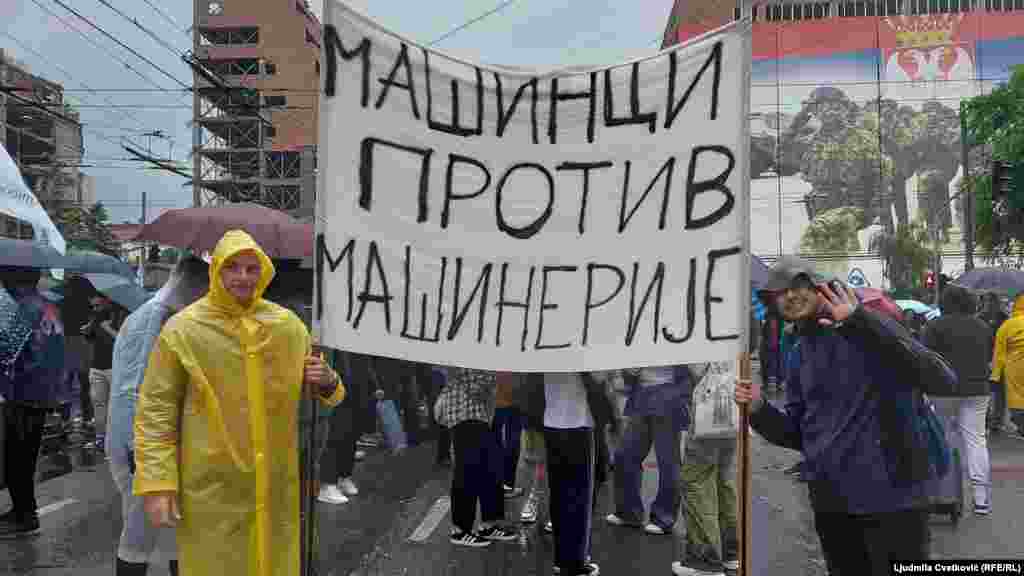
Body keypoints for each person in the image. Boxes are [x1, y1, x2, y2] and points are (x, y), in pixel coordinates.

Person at [132, 231, 345, 576]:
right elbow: (156, 410)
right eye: (233, 268)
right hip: (212, 488)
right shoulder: (183, 330)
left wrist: (327, 381)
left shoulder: (288, 327)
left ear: (263, 272)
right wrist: (158, 484)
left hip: (275, 486)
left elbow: (327, 393)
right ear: (216, 271)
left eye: (251, 268)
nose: (243, 277)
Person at [735, 256, 956, 575]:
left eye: (800, 285)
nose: (791, 296)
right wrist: (758, 409)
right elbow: (800, 433)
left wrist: (859, 322)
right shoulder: (798, 351)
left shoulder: (870, 327)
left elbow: (941, 378)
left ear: (821, 286)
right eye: (779, 293)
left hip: (893, 498)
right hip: (833, 503)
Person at [107, 256, 209, 575]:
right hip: (144, 448)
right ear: (189, 284)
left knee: (179, 537)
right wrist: (142, 453)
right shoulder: (152, 319)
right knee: (138, 539)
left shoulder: (168, 318)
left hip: (159, 445)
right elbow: (132, 391)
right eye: (203, 291)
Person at [521, 371, 616, 576]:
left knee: (559, 494)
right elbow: (599, 377)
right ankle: (575, 563)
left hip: (551, 422)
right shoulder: (580, 347)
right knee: (580, 498)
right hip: (579, 423)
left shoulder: (544, 347)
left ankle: (562, 559)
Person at [0, 266, 65, 537]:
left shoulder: (22, 310)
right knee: (24, 456)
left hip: (21, 392)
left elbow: (6, 352)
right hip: (42, 391)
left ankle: (24, 515)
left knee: (16, 457)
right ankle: (23, 510)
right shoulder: (48, 306)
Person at [920, 285, 995, 515]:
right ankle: (981, 499)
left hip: (942, 389)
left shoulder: (935, 326)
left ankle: (943, 493)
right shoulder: (983, 327)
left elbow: (925, 358)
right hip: (978, 390)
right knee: (976, 440)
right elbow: (989, 356)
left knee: (941, 437)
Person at [438, 367, 517, 547]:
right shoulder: (465, 352)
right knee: (467, 473)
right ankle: (460, 530)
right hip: (463, 416)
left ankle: (488, 525)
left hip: (478, 417)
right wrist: (492, 376)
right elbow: (477, 388)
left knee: (491, 470)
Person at [606, 366, 686, 535]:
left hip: (668, 393)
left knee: (668, 460)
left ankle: (664, 517)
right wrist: (630, 371)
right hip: (642, 393)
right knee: (625, 455)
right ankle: (629, 511)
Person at [672, 362, 735, 576]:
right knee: (722, 481)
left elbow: (697, 368)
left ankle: (704, 561)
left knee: (696, 482)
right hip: (731, 402)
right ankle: (730, 552)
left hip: (707, 406)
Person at [82, 293, 124, 452]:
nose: (95, 309)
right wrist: (87, 330)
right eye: (93, 306)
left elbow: (124, 340)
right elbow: (91, 338)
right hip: (96, 367)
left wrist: (108, 328)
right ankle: (101, 438)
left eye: (98, 305)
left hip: (114, 367)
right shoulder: (95, 317)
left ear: (107, 301)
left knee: (116, 405)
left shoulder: (120, 315)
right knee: (99, 405)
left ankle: (116, 440)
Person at [991, 294, 1024, 436]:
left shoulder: (1007, 325)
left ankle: (1021, 423)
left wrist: (996, 374)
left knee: (1016, 398)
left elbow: (999, 353)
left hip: (1014, 367)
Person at [980, 293, 1010, 432]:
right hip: (984, 358)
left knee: (1000, 391)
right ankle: (985, 419)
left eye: (994, 302)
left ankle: (997, 420)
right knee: (985, 390)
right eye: (988, 301)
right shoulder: (980, 318)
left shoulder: (1005, 318)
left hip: (1001, 357)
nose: (991, 304)